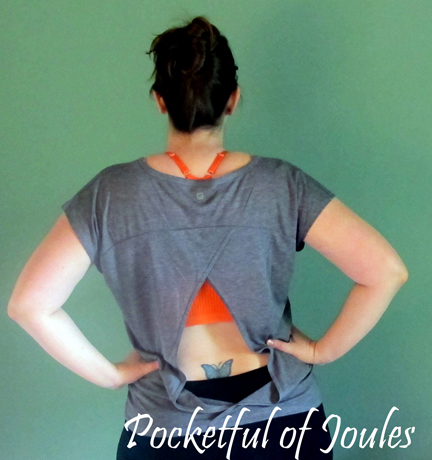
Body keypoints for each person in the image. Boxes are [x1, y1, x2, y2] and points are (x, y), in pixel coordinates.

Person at [7, 16, 408, 460]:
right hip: (284, 426)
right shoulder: (280, 185)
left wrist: (111, 375)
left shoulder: (110, 194)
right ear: (232, 99)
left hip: (165, 432)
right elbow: (385, 271)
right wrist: (322, 350)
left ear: (160, 101)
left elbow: (29, 305)